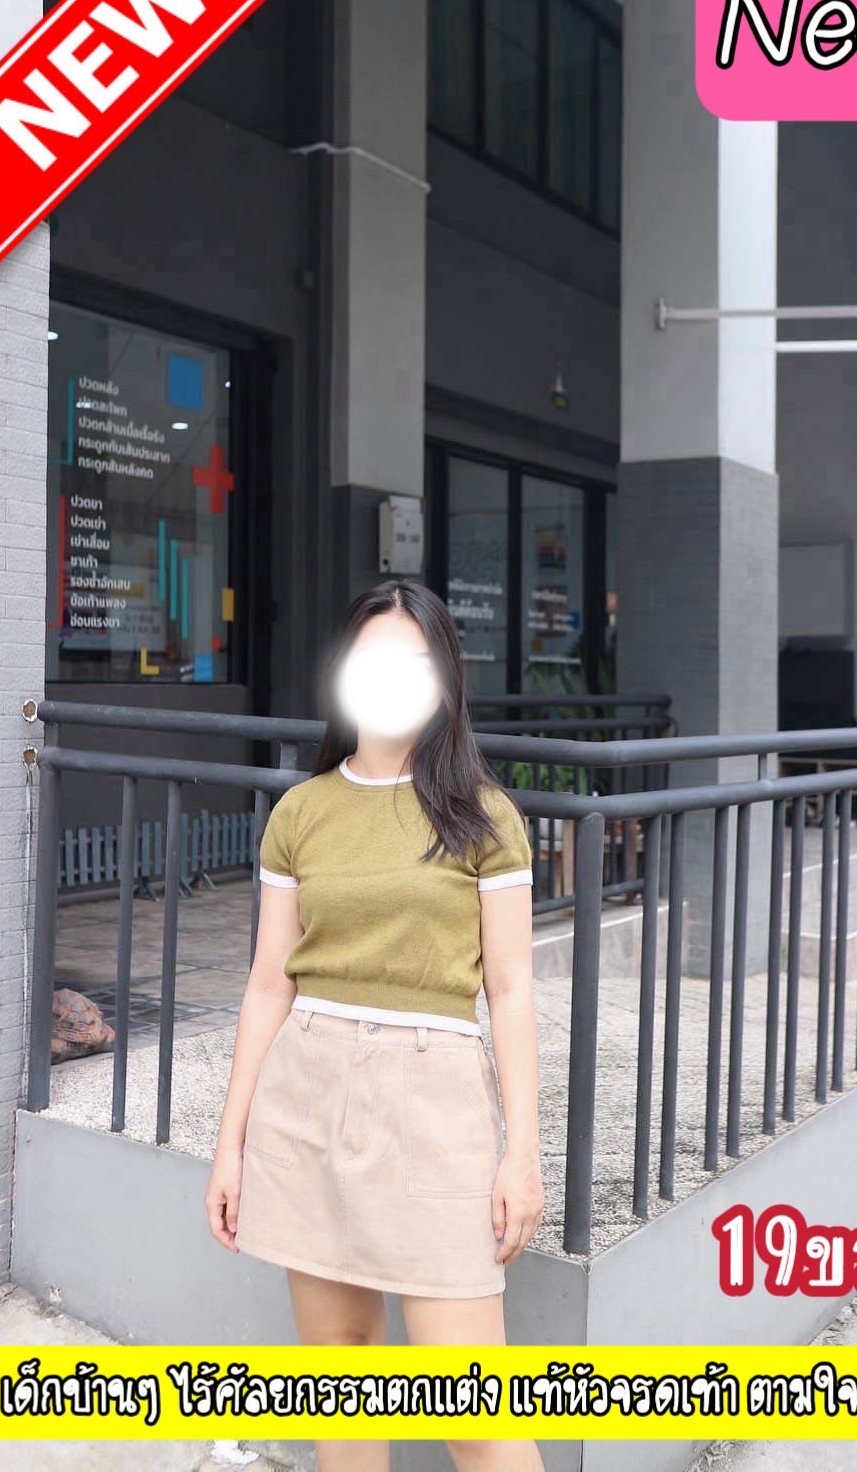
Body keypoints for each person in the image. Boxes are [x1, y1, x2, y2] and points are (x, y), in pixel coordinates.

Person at [205, 577, 546, 1471]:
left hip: (435, 1099)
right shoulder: (302, 811)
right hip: (305, 1095)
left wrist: (521, 1152)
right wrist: (230, 1143)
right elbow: (268, 986)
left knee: (476, 1412)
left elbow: (511, 991)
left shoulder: (484, 817)